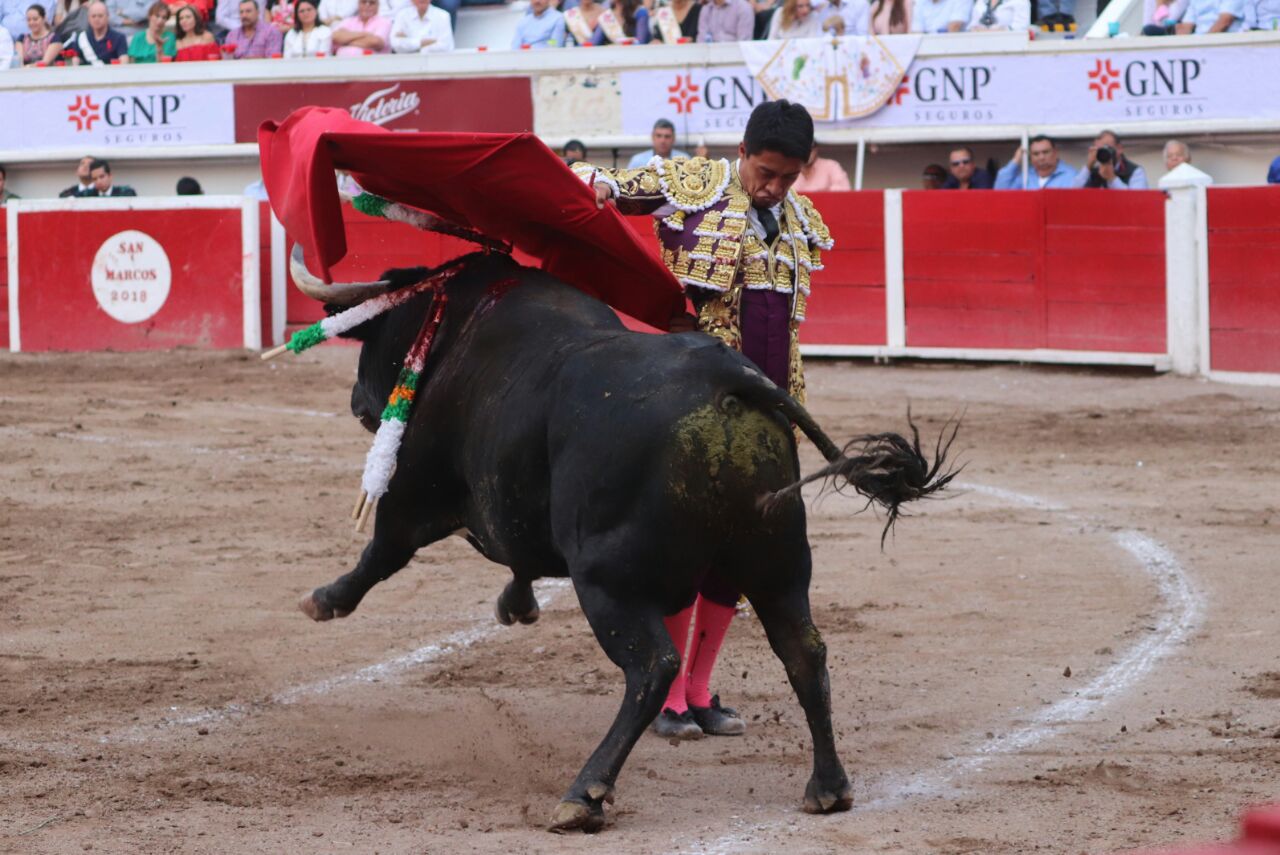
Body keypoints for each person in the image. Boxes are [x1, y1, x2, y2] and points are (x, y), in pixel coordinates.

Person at [575, 100, 833, 740]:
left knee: (740, 555)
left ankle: (697, 689)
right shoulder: (700, 184)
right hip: (690, 410)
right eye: (765, 172)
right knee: (684, 551)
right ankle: (665, 698)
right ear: (742, 152)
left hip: (769, 413)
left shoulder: (802, 220)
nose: (773, 187)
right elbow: (616, 187)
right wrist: (595, 182)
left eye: (787, 177)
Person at [1072, 129, 1148, 189]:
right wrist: (1088, 166)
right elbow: (1072, 194)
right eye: (1099, 150)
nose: (1103, 153)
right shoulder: (1093, 171)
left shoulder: (1135, 172)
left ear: (1119, 148)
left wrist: (1112, 178)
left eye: (1107, 148)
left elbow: (1136, 201)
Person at [994, 135, 1075, 189]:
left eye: (1045, 152)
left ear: (1055, 153)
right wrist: (1016, 160)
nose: (1041, 157)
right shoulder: (1026, 176)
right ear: (1030, 157)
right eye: (1036, 154)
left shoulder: (1071, 176)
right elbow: (1000, 191)